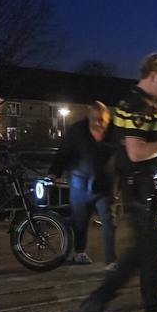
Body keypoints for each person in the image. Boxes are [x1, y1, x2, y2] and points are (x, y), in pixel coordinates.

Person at [74, 53, 157, 312]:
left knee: (142, 255)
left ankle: (96, 304)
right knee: (152, 255)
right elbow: (137, 153)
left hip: (152, 189)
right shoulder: (135, 106)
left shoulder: (151, 105)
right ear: (153, 73)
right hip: (142, 191)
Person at [48, 101, 118, 269]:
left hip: (104, 185)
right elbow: (63, 153)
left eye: (102, 119)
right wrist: (54, 172)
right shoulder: (77, 131)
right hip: (80, 184)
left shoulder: (114, 132)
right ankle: (80, 251)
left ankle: (111, 260)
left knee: (109, 222)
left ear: (107, 118)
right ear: (89, 118)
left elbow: (124, 154)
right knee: (80, 221)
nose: (98, 123)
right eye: (95, 119)